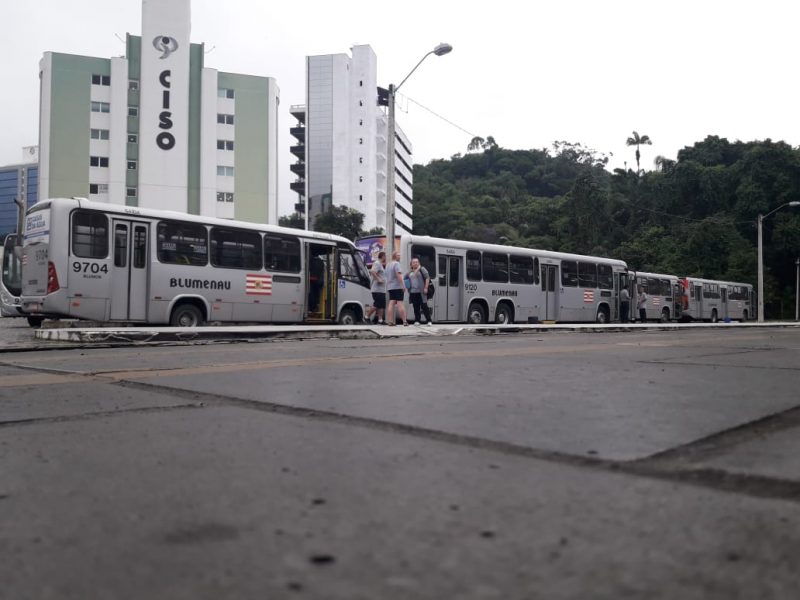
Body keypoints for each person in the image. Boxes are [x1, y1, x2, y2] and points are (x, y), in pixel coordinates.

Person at [385, 250, 408, 326]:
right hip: (398, 286)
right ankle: (404, 321)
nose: (400, 256)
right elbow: (399, 275)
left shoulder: (388, 265)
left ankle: (390, 321)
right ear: (396, 256)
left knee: (391, 303)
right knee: (400, 303)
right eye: (399, 255)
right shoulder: (397, 264)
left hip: (390, 287)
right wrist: (403, 285)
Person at [407, 257, 433, 325]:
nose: (415, 263)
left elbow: (427, 278)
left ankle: (429, 320)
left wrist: (426, 288)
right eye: (414, 262)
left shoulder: (422, 269)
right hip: (413, 292)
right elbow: (405, 278)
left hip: (421, 292)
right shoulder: (410, 271)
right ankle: (417, 320)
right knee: (416, 307)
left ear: (419, 263)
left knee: (424, 306)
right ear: (411, 264)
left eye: (417, 262)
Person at [365, 251, 387, 325]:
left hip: (381, 290)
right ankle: (367, 316)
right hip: (377, 289)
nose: (386, 257)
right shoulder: (377, 263)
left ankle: (380, 320)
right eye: (385, 256)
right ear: (383, 256)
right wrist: (378, 279)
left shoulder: (380, 264)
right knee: (377, 304)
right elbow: (372, 271)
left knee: (381, 305)